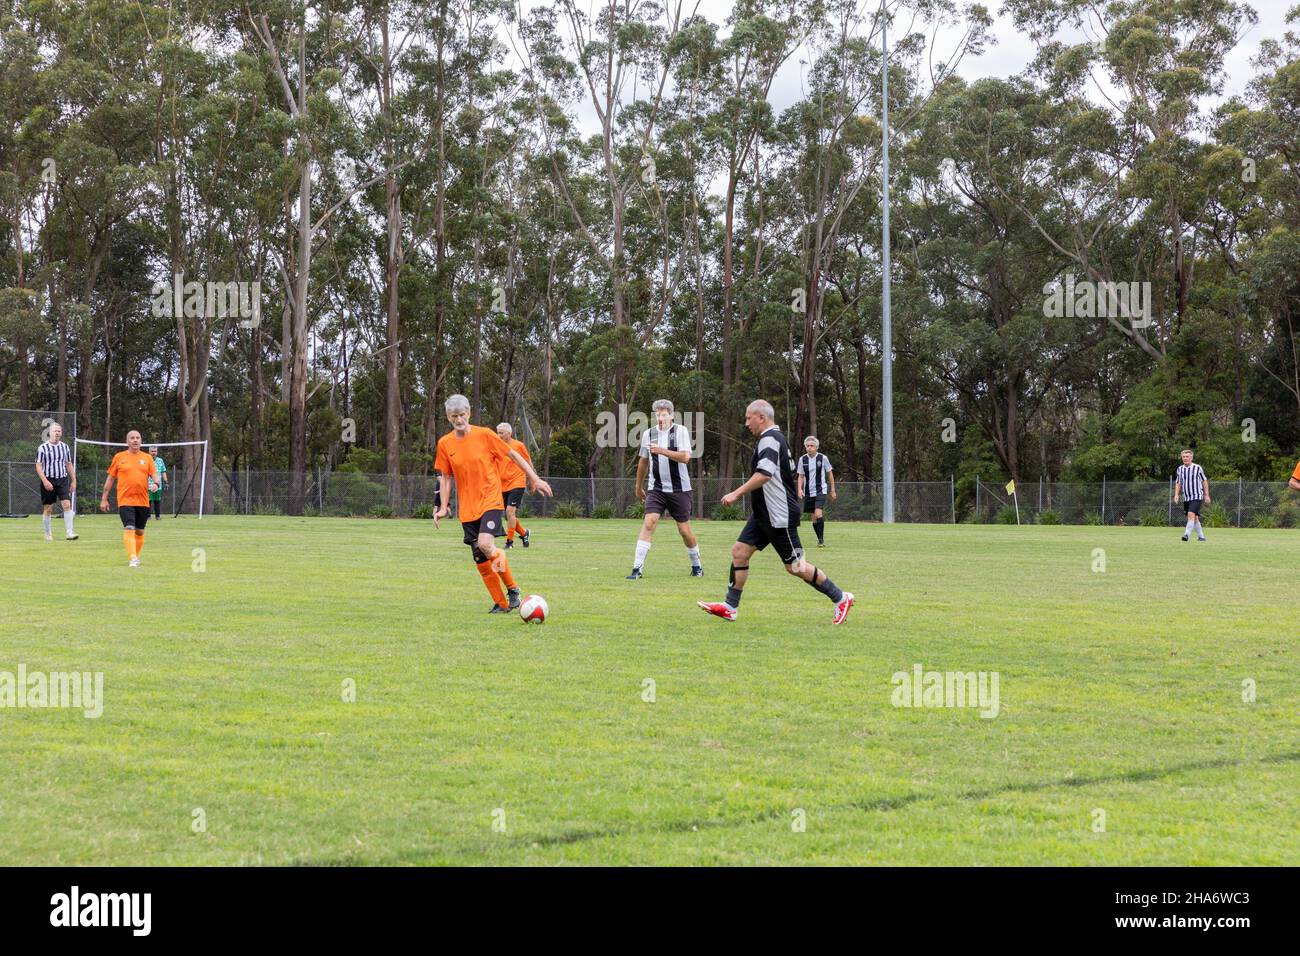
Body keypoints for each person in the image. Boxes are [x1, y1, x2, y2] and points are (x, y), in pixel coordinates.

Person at [698, 400, 854, 624]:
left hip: (778, 516)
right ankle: (730, 607)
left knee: (796, 567)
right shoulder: (771, 438)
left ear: (761, 417)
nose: (746, 423)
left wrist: (736, 493)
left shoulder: (770, 438)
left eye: (748, 418)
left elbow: (765, 474)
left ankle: (840, 598)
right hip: (764, 514)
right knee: (740, 552)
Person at [435, 396, 553, 613]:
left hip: (490, 499)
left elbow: (514, 455)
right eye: (454, 417)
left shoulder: (485, 435)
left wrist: (534, 478)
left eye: (462, 415)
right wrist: (443, 507)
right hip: (468, 508)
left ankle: (512, 589)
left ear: (469, 412)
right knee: (480, 556)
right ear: (448, 418)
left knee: (486, 544)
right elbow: (446, 476)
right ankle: (501, 603)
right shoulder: (445, 443)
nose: (459, 420)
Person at [627, 399, 702, 579]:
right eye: (657, 414)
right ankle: (637, 569)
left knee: (684, 531)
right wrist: (638, 486)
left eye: (664, 414)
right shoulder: (648, 434)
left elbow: (685, 457)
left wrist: (662, 450)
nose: (660, 417)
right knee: (649, 522)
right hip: (656, 489)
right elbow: (643, 462)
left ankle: (697, 566)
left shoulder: (680, 431)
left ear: (671, 415)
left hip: (680, 489)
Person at [100, 430, 157, 567]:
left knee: (139, 530)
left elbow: (154, 474)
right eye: (132, 438)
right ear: (127, 441)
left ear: (141, 441)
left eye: (138, 438)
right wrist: (104, 498)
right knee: (129, 527)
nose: (135, 440)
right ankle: (132, 558)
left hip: (143, 500)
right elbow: (110, 479)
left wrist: (156, 483)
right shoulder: (119, 457)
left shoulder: (147, 458)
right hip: (125, 500)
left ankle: (135, 556)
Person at [35, 422, 78, 541]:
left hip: (62, 479)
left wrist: (74, 480)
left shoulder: (65, 447)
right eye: (55, 431)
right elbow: (38, 466)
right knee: (48, 509)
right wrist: (45, 481)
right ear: (50, 433)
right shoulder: (42, 448)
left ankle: (69, 532)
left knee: (67, 504)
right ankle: (48, 533)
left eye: (59, 431)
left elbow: (69, 464)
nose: (57, 433)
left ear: (61, 433)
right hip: (48, 480)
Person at [495, 422, 532, 550]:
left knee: (510, 512)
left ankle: (509, 542)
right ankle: (524, 533)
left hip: (517, 482)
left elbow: (528, 462)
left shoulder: (519, 446)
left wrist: (532, 479)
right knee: (508, 515)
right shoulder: (495, 446)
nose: (498, 435)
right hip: (502, 485)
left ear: (509, 433)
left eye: (501, 433)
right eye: (498, 432)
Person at [796, 436, 836, 547]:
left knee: (818, 514)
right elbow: (800, 476)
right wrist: (799, 489)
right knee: (813, 518)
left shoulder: (823, 458)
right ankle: (819, 539)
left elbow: (830, 474)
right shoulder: (802, 459)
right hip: (808, 491)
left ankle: (821, 540)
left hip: (821, 490)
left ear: (816, 447)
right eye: (807, 446)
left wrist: (832, 489)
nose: (809, 448)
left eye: (811, 446)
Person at [1173, 449, 1210, 542]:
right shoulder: (1180, 469)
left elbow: (1204, 481)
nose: (1185, 458)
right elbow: (1178, 482)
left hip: (1197, 496)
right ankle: (1201, 537)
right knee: (1194, 517)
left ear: (1191, 458)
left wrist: (1206, 495)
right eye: (1183, 457)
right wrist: (1176, 494)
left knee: (1191, 514)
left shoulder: (1197, 468)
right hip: (1187, 497)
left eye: (1187, 456)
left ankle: (1186, 535)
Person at [147, 445, 169, 519]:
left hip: (158, 485)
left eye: (155, 451)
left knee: (157, 501)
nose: (154, 453)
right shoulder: (146, 460)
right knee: (148, 501)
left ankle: (157, 516)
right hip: (148, 485)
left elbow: (163, 471)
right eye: (152, 451)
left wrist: (166, 481)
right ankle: (148, 516)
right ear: (149, 452)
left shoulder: (160, 460)